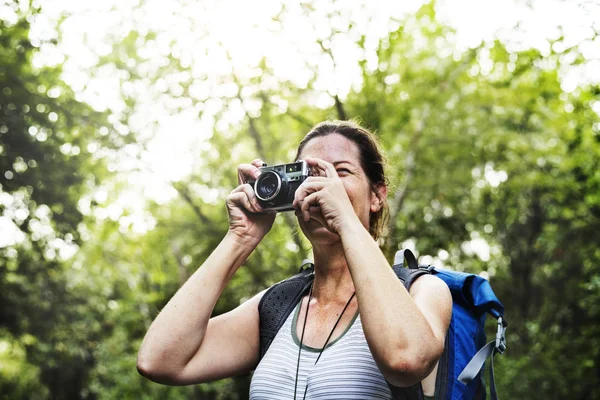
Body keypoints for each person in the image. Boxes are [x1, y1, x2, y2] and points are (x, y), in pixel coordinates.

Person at [136, 120, 453, 399]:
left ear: (377, 196)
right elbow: (159, 361)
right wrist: (239, 237)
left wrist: (345, 220)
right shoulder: (277, 307)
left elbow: (405, 359)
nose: (322, 185)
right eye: (310, 174)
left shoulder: (423, 290)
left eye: (341, 172)